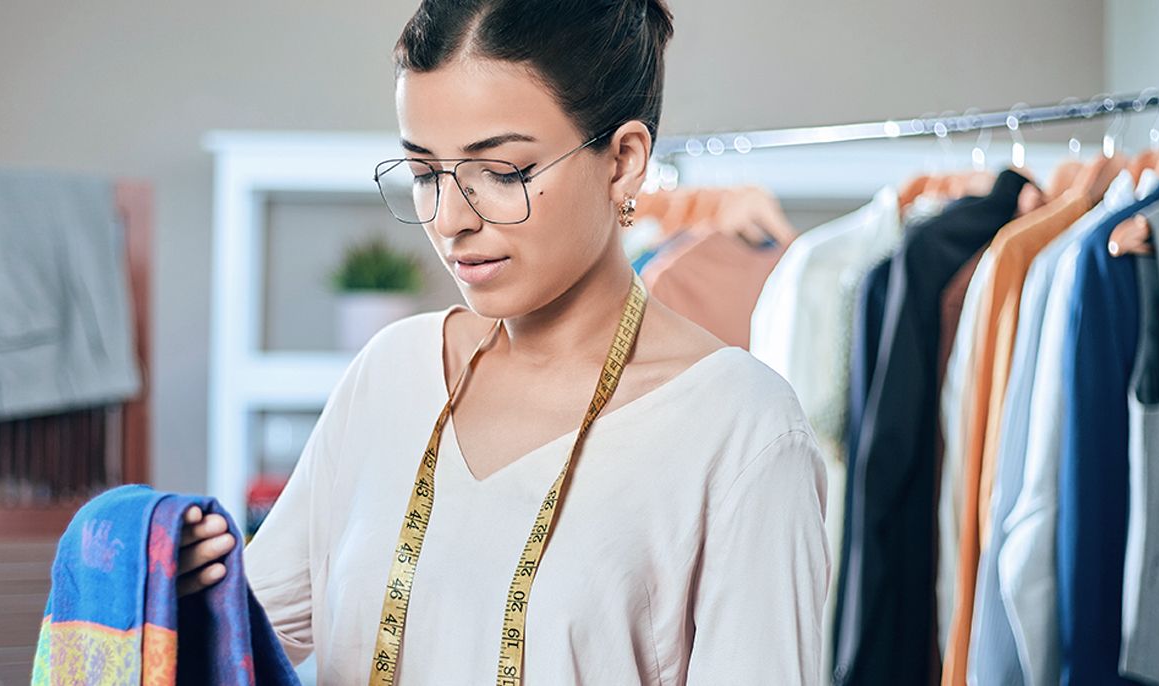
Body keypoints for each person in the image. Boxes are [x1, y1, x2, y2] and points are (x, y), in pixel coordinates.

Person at [177, 0, 829, 682]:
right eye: (425, 174)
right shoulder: (392, 373)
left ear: (623, 161)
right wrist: (174, 576)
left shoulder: (740, 428)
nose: (450, 220)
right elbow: (236, 643)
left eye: (503, 172)